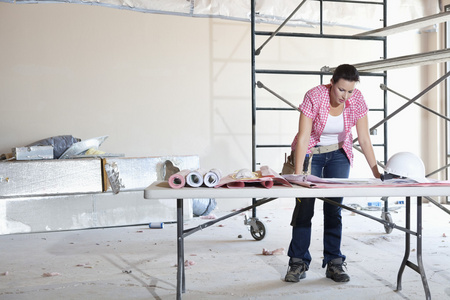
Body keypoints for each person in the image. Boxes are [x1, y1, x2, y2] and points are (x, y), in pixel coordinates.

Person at [285, 64, 381, 283]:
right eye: (341, 90)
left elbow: (364, 138)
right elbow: (303, 137)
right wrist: (299, 175)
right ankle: (297, 262)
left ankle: (334, 262)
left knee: (334, 208)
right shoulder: (314, 96)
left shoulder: (356, 100)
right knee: (304, 208)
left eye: (350, 91)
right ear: (332, 84)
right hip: (312, 154)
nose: (345, 96)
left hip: (339, 154)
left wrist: (377, 172)